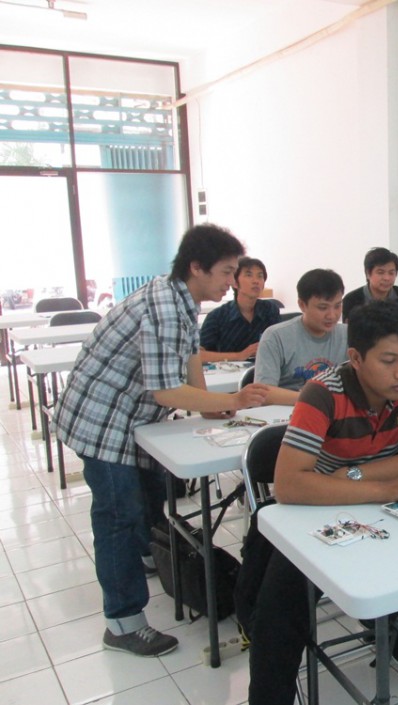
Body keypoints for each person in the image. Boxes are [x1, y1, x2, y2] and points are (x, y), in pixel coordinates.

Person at [54, 224, 269, 657]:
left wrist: (209, 407)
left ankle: (148, 559)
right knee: (119, 516)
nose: (232, 282)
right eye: (227, 272)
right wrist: (230, 399)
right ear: (197, 267)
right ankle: (122, 623)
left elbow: (190, 357)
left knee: (149, 501)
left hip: (131, 420)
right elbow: (166, 392)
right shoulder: (164, 307)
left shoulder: (181, 299)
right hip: (102, 421)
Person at [248, 301, 398, 705]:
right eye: (389, 360)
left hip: (376, 502)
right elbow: (289, 485)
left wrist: (349, 475)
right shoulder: (322, 393)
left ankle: (393, 624)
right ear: (355, 358)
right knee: (279, 616)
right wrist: (385, 486)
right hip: (319, 510)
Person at [254, 268, 348, 406]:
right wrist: (315, 398)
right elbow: (263, 393)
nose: (332, 315)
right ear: (302, 305)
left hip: (335, 412)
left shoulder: (348, 335)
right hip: (288, 411)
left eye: (337, 306)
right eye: (323, 308)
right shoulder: (276, 337)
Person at [199, 256, 280, 363]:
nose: (256, 281)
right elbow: (200, 355)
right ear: (235, 283)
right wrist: (240, 355)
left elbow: (280, 344)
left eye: (260, 276)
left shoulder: (270, 309)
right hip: (228, 371)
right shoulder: (217, 316)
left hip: (264, 368)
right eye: (249, 275)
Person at [342, 246, 398, 325]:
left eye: (391, 273)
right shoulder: (352, 299)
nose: (387, 278)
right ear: (368, 273)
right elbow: (348, 333)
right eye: (380, 272)